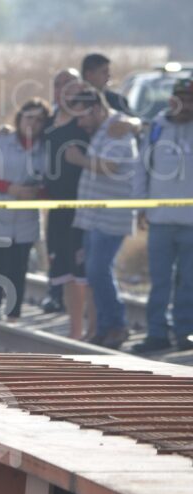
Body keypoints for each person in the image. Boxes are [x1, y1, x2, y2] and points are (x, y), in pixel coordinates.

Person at [65, 87, 138, 349]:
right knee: (96, 273)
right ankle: (106, 327)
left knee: (98, 271)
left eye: (83, 116)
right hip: (94, 217)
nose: (80, 123)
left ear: (96, 109)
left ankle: (116, 325)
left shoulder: (116, 128)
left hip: (111, 217)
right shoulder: (102, 130)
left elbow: (111, 166)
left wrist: (79, 159)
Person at [0, 98, 49, 321]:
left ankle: (14, 316)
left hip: (25, 220)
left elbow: (51, 184)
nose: (33, 124)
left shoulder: (45, 149)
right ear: (19, 118)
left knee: (19, 269)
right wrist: (10, 188)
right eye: (29, 118)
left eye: (39, 120)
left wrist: (36, 193)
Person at [132, 78, 193, 353]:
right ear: (172, 101)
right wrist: (140, 207)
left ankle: (185, 332)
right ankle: (157, 332)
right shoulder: (157, 128)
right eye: (182, 98)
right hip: (160, 220)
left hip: (190, 222)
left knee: (189, 282)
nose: (186, 105)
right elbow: (142, 168)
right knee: (160, 282)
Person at [40, 69, 82, 315]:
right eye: (59, 84)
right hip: (55, 197)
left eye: (69, 83)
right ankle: (54, 294)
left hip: (83, 197)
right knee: (55, 247)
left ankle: (79, 301)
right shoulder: (47, 120)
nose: (64, 89)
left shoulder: (85, 118)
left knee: (78, 250)